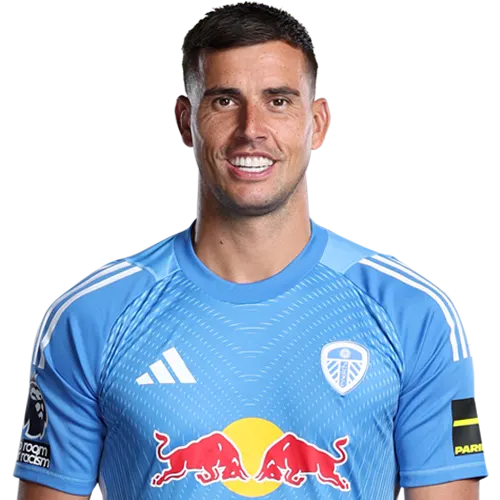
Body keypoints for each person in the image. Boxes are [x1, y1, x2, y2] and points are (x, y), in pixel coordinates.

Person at [14, 2, 488, 499]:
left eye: (278, 101)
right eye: (224, 101)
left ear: (318, 123)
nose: (251, 129)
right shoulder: (90, 317)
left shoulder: (418, 314)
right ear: (184, 121)